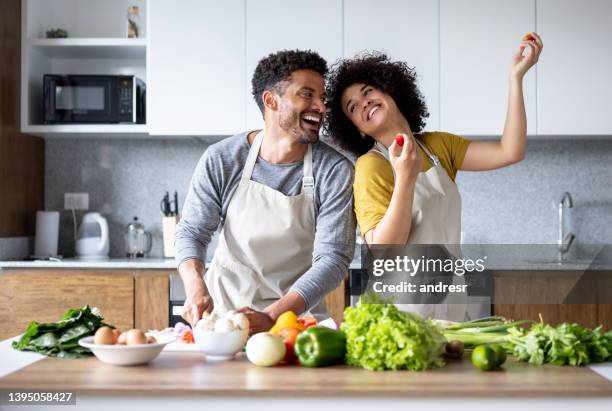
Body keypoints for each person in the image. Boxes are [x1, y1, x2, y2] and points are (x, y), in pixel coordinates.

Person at [325, 33, 543, 320]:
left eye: (368, 92)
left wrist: (516, 78)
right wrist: (405, 178)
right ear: (358, 129)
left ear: (391, 92)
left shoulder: (438, 146)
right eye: (353, 107)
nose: (363, 103)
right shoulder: (371, 166)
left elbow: (510, 151)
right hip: (398, 312)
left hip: (450, 302)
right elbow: (384, 253)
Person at [175, 50, 356, 334]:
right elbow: (191, 232)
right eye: (307, 95)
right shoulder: (223, 158)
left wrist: (273, 315)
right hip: (224, 321)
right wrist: (196, 287)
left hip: (297, 323)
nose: (321, 106)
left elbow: (333, 258)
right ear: (271, 100)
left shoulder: (334, 170)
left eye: (322, 97)